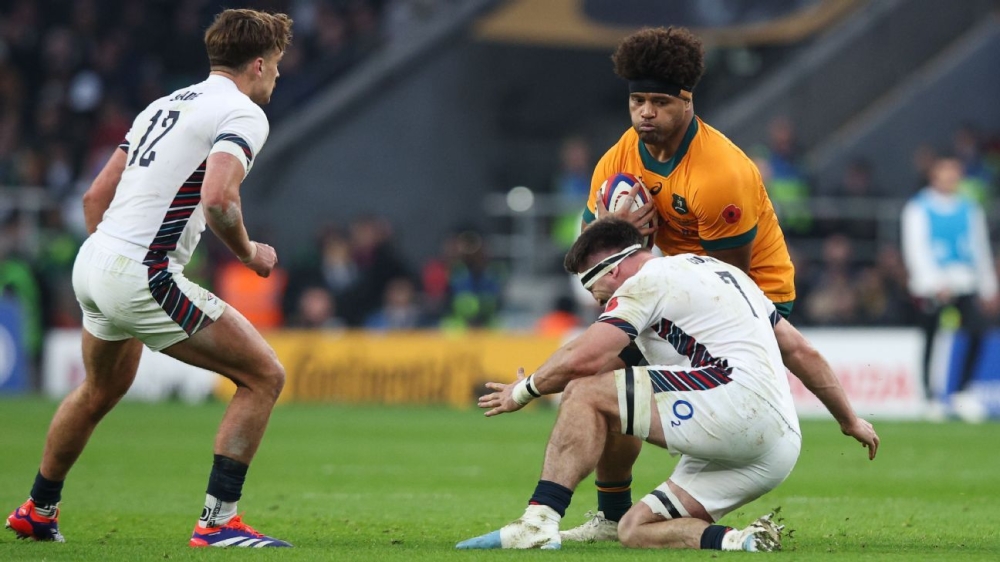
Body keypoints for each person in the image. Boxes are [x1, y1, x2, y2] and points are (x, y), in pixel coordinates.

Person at [4, 9, 294, 547]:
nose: (277, 75)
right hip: (145, 271)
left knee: (100, 388)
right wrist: (251, 254)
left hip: (94, 262)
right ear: (258, 63)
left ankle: (38, 509)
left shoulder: (162, 105)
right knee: (263, 376)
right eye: (276, 65)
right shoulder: (243, 113)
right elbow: (219, 199)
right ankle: (219, 522)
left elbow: (95, 196)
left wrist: (109, 267)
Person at [456, 218, 879, 552]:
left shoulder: (644, 282)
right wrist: (849, 420)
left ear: (617, 267)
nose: (597, 302)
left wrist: (523, 390)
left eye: (595, 286)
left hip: (730, 403)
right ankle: (738, 541)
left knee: (587, 390)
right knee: (636, 528)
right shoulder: (723, 272)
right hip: (776, 448)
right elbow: (802, 352)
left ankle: (538, 522)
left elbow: (586, 357)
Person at [572, 26, 801, 540]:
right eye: (636, 100)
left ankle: (612, 517)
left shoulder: (720, 173)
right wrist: (623, 247)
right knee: (608, 381)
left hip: (754, 296)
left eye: (658, 101)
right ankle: (614, 517)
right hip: (670, 288)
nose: (645, 113)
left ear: (687, 101)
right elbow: (595, 250)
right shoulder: (619, 159)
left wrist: (644, 256)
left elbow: (726, 283)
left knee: (607, 382)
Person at [901, 156, 999, 422]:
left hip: (964, 282)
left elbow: (979, 247)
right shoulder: (919, 207)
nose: (950, 177)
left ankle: (962, 393)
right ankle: (930, 397)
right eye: (945, 171)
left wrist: (989, 286)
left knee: (977, 331)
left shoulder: (969, 208)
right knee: (932, 338)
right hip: (932, 287)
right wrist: (933, 282)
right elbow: (915, 249)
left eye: (955, 172)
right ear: (934, 174)